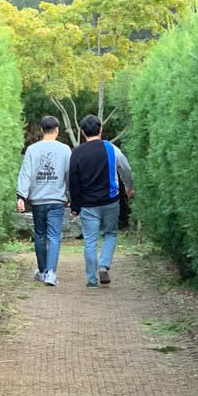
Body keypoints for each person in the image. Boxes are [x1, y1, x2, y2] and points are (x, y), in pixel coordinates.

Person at [68, 114, 133, 288]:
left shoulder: (77, 153)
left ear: (82, 132)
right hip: (110, 200)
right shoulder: (111, 148)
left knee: (90, 240)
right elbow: (125, 168)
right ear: (100, 129)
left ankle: (91, 280)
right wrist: (129, 187)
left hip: (88, 204)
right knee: (110, 233)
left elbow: (73, 181)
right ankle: (104, 265)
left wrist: (75, 205)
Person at [16, 115, 71, 287]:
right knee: (54, 236)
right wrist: (71, 195)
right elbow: (70, 174)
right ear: (57, 130)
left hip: (38, 200)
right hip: (56, 199)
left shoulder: (32, 150)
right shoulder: (65, 150)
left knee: (40, 235)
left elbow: (25, 173)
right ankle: (51, 273)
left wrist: (21, 196)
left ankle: (42, 271)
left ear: (41, 130)